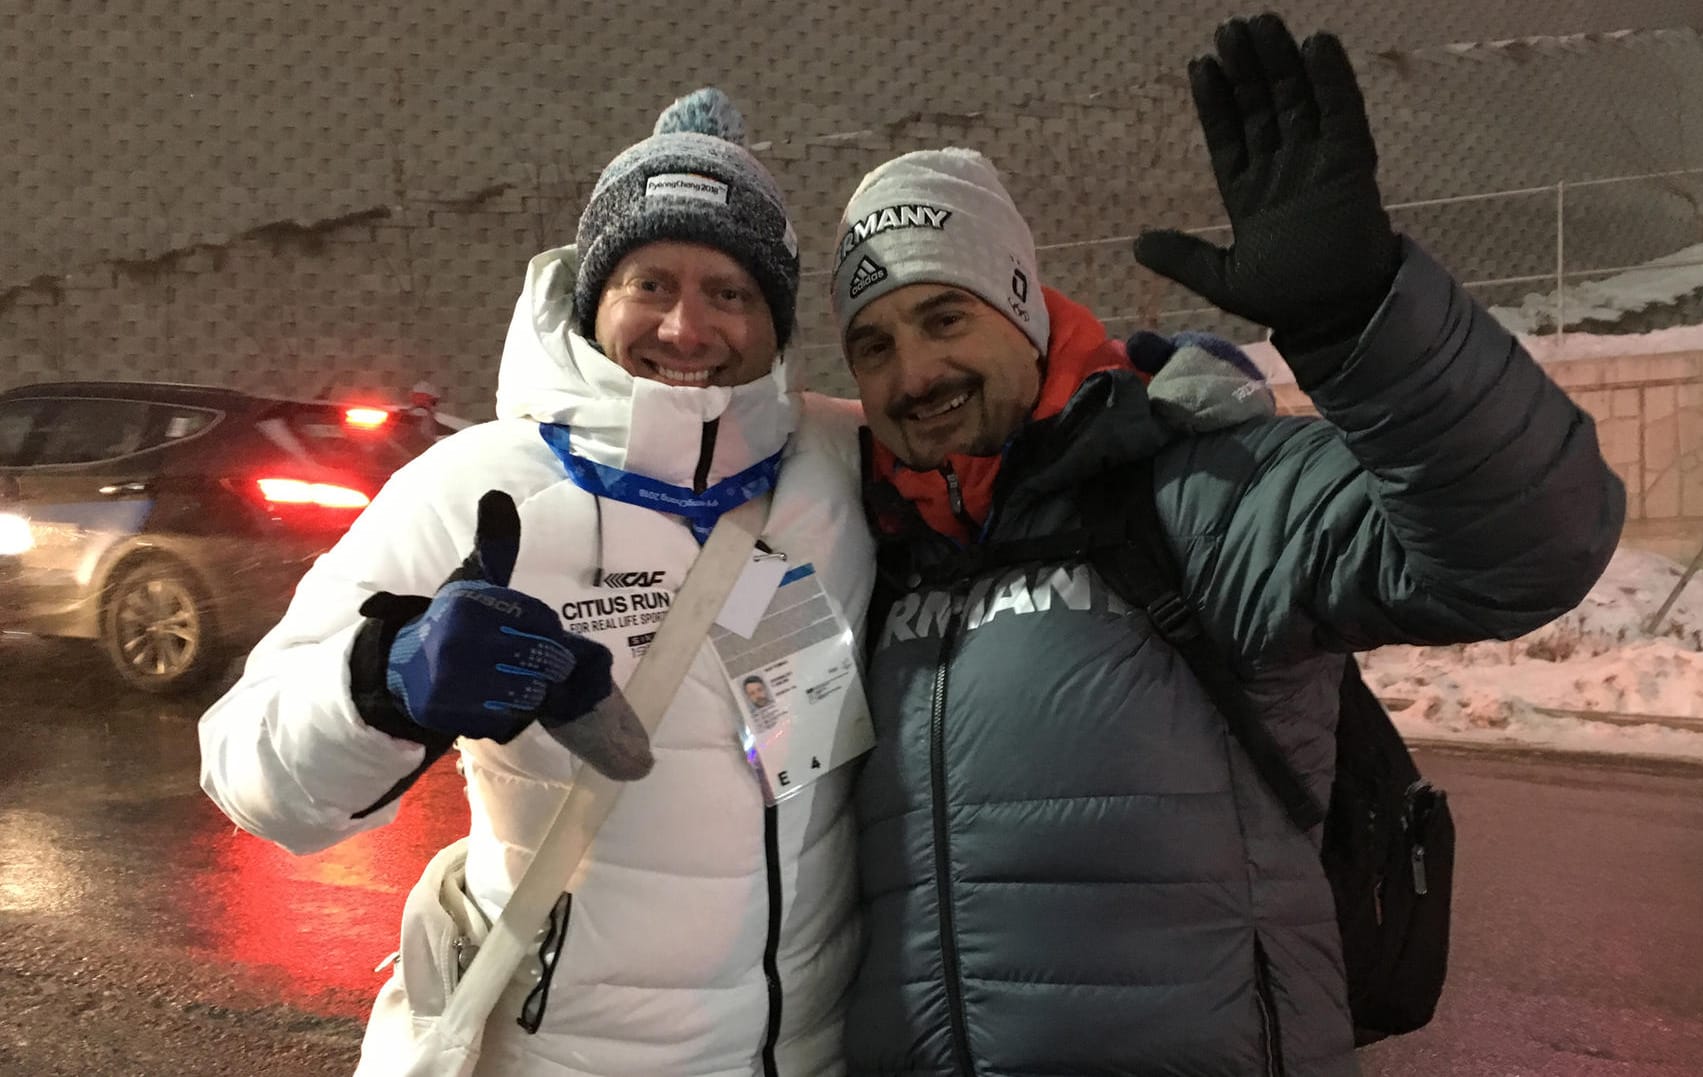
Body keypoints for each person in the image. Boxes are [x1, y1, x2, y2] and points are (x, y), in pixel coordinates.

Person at [830, 13, 1624, 1077]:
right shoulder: (872, 555)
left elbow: (1526, 548)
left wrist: (1363, 324)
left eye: (944, 319)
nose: (913, 372)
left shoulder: (1196, 488)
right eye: (871, 344)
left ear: (1022, 312)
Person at [199, 88, 873, 1076]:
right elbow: (246, 773)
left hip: (809, 1049)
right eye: (650, 283)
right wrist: (382, 685)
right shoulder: (478, 488)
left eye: (729, 292)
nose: (687, 329)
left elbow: (1009, 426)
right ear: (591, 295)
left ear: (773, 321)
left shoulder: (839, 456)